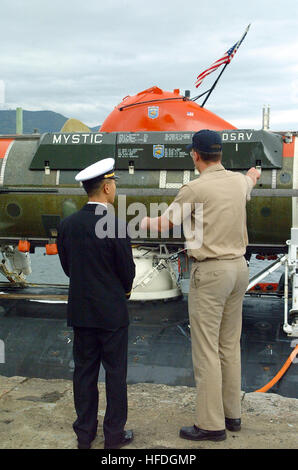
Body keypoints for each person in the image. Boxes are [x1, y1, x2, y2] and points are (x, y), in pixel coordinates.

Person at [141, 129, 260, 442]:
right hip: (239, 269)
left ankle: (211, 424)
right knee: (229, 345)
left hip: (211, 274)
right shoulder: (237, 182)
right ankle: (232, 415)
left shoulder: (193, 188)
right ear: (220, 154)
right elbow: (250, 183)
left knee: (206, 350)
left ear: (195, 155)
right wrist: (253, 174)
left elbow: (166, 223)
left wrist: (140, 223)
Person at [57, 158, 135, 449]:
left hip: (81, 311)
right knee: (115, 375)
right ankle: (114, 437)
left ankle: (84, 435)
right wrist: (121, 293)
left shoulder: (67, 225)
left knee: (84, 373)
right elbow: (127, 273)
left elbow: (68, 268)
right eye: (113, 183)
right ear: (106, 186)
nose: (114, 188)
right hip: (112, 313)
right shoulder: (115, 225)